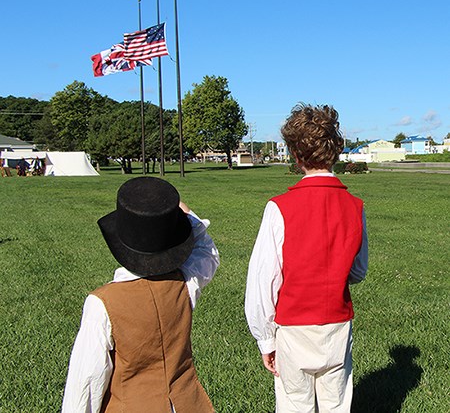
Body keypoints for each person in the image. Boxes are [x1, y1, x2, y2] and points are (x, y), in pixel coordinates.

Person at [245, 103, 368, 412]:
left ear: (294, 155)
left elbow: (263, 280)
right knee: (336, 404)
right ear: (336, 151)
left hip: (293, 328)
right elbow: (358, 270)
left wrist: (265, 339)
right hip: (336, 326)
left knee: (293, 405)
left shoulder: (279, 208)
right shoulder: (355, 207)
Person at [62, 176, 219, 412]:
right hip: (187, 404)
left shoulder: (102, 303)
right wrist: (187, 218)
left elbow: (86, 382)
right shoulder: (185, 284)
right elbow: (208, 252)